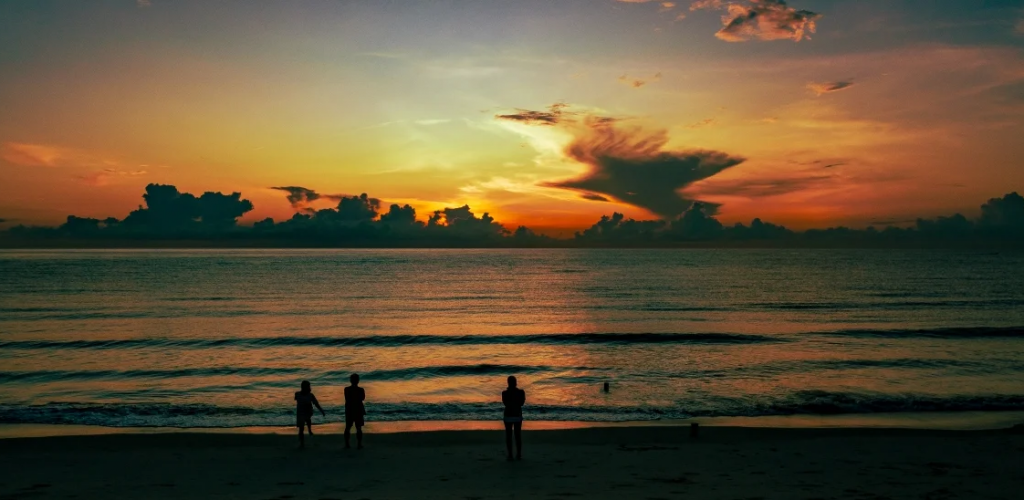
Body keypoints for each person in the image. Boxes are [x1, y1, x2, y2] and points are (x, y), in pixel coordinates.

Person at [295, 380, 325, 449]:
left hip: (308, 411)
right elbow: (296, 399)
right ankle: (302, 443)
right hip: (300, 413)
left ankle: (309, 429)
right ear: (302, 387)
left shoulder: (311, 395)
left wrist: (321, 411)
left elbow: (316, 404)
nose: (309, 388)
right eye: (307, 387)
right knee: (301, 429)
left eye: (309, 386)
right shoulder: (297, 394)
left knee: (308, 419)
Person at [502, 375, 526, 461]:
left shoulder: (504, 393)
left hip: (508, 415)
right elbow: (522, 403)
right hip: (517, 415)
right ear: (516, 382)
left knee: (509, 435)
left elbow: (506, 404)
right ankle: (518, 454)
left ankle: (510, 455)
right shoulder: (521, 392)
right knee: (517, 435)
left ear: (508, 383)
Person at [344, 373, 366, 449]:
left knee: (347, 427)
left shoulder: (346, 389)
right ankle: (359, 444)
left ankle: (347, 444)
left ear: (350, 380)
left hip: (349, 409)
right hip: (358, 409)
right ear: (358, 381)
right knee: (359, 428)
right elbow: (363, 398)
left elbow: (347, 399)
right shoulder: (361, 390)